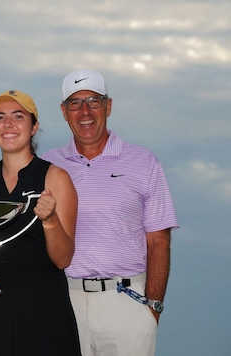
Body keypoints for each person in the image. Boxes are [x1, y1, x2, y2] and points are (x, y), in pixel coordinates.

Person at [41, 69, 179, 356]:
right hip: (63, 302)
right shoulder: (47, 165)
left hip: (127, 303)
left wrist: (151, 309)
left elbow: (159, 241)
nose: (85, 111)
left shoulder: (144, 161)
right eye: (75, 103)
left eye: (94, 100)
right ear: (64, 112)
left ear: (109, 105)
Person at [0, 90, 81, 355]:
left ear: (34, 127)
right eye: (0, 117)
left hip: (43, 311)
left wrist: (50, 220)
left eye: (18, 116)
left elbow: (63, 259)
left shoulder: (55, 177)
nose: (8, 125)